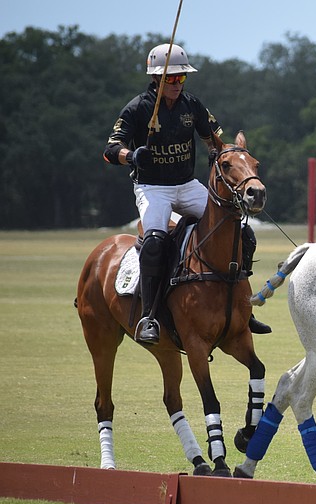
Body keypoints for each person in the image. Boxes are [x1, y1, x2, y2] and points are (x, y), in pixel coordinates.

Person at [103, 43, 270, 345]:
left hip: (187, 185)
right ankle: (150, 316)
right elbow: (110, 149)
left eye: (182, 78)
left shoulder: (191, 105)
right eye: (172, 79)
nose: (178, 84)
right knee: (154, 242)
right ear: (156, 78)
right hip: (153, 188)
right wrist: (132, 156)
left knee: (240, 231)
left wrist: (229, 155)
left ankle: (242, 308)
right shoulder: (138, 108)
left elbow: (215, 140)